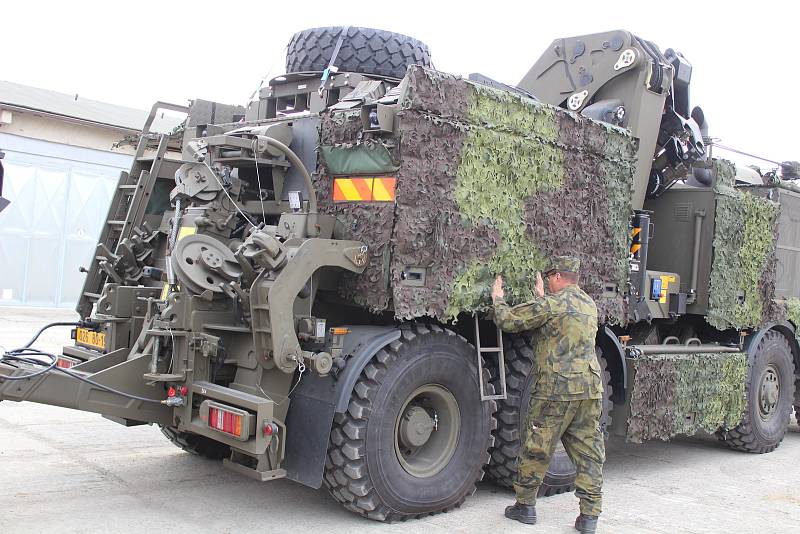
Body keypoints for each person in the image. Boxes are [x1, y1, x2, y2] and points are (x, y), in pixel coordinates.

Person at [491, 256, 605, 534]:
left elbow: (509, 320)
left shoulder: (551, 304)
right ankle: (589, 517)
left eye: (548, 277)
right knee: (589, 453)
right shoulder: (589, 304)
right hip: (589, 389)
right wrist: (544, 298)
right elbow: (562, 327)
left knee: (538, 446)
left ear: (555, 276)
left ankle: (525, 506)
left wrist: (497, 299)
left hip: (556, 389)